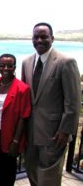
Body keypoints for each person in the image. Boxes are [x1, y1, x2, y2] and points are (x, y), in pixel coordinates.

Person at [21, 22, 81, 186]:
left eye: (44, 37)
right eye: (36, 37)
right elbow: (25, 96)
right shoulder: (26, 62)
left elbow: (73, 102)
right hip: (31, 132)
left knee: (49, 178)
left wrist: (65, 130)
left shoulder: (65, 62)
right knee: (32, 172)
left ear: (52, 38)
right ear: (32, 39)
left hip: (54, 134)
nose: (39, 40)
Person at [0, 54, 31, 186]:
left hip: (10, 135)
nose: (6, 68)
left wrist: (16, 141)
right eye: (2, 65)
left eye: (10, 66)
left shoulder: (22, 88)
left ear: (14, 67)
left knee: (8, 171)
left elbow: (23, 117)